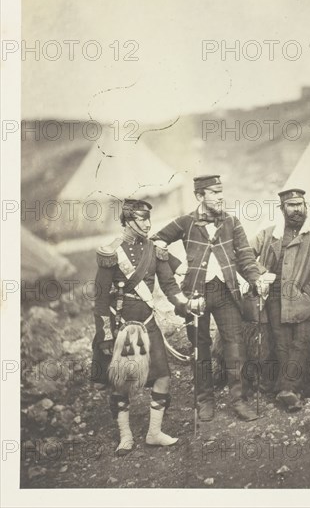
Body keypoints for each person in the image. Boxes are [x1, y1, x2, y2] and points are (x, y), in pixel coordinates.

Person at [151, 175, 267, 422]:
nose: (220, 196)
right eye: (214, 192)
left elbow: (245, 256)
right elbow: (155, 244)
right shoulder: (185, 222)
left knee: (235, 346)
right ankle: (205, 400)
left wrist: (256, 278)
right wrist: (177, 265)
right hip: (195, 296)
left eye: (220, 191)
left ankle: (239, 400)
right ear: (200, 196)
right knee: (199, 349)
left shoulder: (231, 222)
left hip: (226, 293)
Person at [91, 198, 192, 455]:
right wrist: (104, 335)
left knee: (164, 377)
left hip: (149, 325)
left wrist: (183, 304)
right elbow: (101, 298)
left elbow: (170, 286)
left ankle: (154, 433)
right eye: (141, 219)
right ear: (127, 220)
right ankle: (125, 436)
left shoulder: (154, 250)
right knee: (121, 382)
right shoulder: (112, 252)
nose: (147, 224)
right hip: (123, 326)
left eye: (149, 218)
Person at [251, 189, 310, 411]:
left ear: (305, 207)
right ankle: (289, 390)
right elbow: (245, 257)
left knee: (302, 342)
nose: (297, 209)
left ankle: (287, 389)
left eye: (300, 204)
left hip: (305, 301)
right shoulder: (269, 235)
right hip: (276, 300)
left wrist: (307, 297)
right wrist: (261, 273)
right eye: (291, 205)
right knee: (282, 344)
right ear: (282, 209)